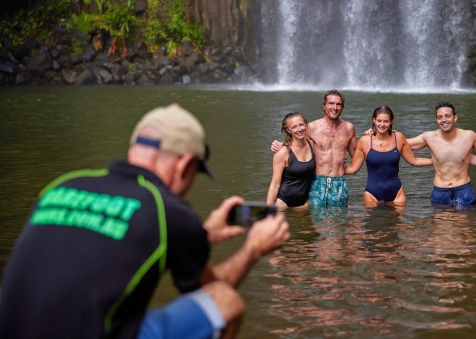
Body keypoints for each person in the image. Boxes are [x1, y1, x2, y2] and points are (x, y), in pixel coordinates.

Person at [0, 103, 290, 339]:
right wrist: (252, 249)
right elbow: (210, 289)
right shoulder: (167, 209)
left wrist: (201, 236)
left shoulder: (61, 186)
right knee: (226, 303)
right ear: (184, 164)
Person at [271, 90, 357, 207]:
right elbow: (297, 144)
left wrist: (372, 135)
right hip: (317, 183)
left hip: (339, 184)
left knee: (339, 221)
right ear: (324, 106)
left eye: (339, 104)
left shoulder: (349, 128)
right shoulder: (311, 128)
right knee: (316, 222)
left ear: (342, 107)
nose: (335, 107)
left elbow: (358, 156)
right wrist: (282, 146)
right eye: (331, 103)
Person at [402, 102, 476, 206]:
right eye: (440, 117)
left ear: (455, 118)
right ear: (436, 120)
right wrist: (384, 135)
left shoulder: (469, 136)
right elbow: (402, 143)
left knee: (464, 222)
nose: (443, 120)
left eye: (447, 116)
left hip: (463, 190)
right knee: (441, 222)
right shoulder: (429, 137)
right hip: (440, 191)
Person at [343, 106, 433, 207]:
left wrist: (436, 161)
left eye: (386, 121)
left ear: (391, 121)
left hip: (397, 194)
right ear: (374, 120)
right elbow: (353, 168)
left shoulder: (398, 137)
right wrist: (332, 170)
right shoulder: (365, 141)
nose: (382, 124)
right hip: (372, 195)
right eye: (379, 121)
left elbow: (414, 161)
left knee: (398, 222)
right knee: (372, 222)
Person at [266, 112, 316, 210]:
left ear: (306, 124)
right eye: (294, 127)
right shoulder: (282, 153)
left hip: (304, 204)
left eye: (301, 125)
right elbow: (275, 184)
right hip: (283, 204)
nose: (299, 129)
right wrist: (267, 211)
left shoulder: (312, 144)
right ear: (288, 130)